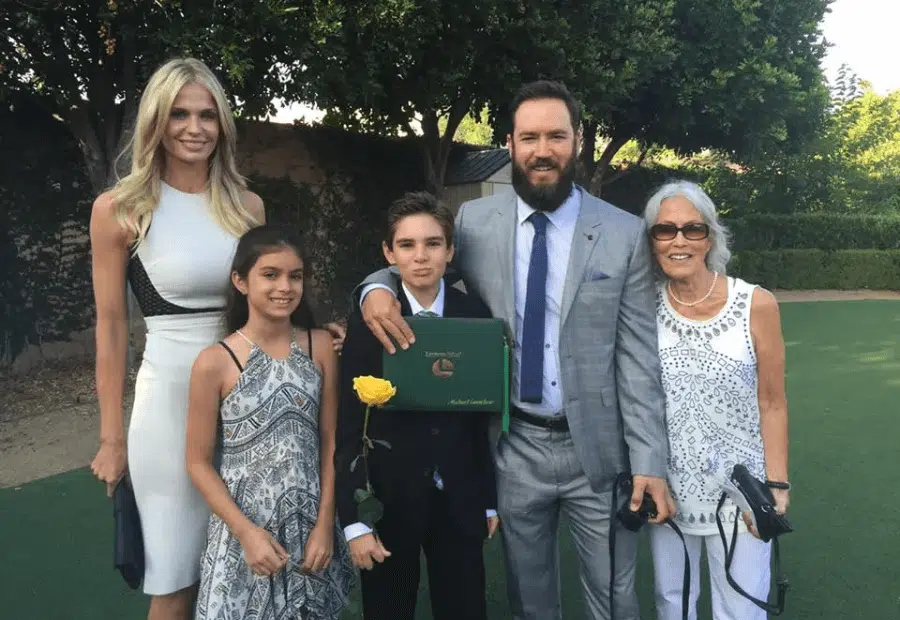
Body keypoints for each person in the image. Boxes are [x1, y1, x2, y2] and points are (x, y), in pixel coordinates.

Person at [356, 80, 675, 620]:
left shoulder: (623, 234)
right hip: (513, 446)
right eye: (529, 137)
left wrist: (648, 462)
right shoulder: (476, 223)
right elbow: (421, 261)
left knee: (614, 597)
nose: (542, 150)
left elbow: (638, 357)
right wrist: (376, 287)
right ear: (509, 143)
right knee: (530, 600)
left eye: (556, 136)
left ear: (577, 141)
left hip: (598, 452)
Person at [87, 57, 343, 618]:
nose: (194, 128)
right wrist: (111, 438)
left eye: (207, 115)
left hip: (250, 396)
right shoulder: (120, 210)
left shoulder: (246, 206)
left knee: (252, 568)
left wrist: (313, 335)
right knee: (176, 581)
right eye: (179, 114)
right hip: (169, 400)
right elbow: (111, 325)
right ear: (156, 121)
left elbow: (269, 288)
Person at [335, 191, 499, 620]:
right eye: (407, 245)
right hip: (387, 500)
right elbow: (349, 425)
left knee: (465, 608)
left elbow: (478, 419)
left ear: (450, 251)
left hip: (459, 496)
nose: (421, 256)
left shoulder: (474, 315)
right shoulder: (369, 322)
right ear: (389, 254)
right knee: (388, 609)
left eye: (433, 243)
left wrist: (487, 499)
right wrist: (354, 519)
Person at [185, 224, 354, 619]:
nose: (285, 287)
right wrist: (246, 533)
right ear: (240, 281)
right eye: (270, 274)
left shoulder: (320, 346)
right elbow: (196, 462)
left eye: (295, 276)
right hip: (243, 531)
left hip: (309, 528)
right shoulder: (214, 362)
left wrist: (325, 523)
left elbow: (331, 440)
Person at [642, 180, 790, 620]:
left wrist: (777, 484)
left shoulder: (756, 303)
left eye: (693, 229)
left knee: (741, 609)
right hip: (667, 490)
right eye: (665, 230)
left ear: (710, 238)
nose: (679, 241)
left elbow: (773, 402)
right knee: (672, 603)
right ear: (651, 241)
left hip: (741, 490)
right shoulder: (640, 307)